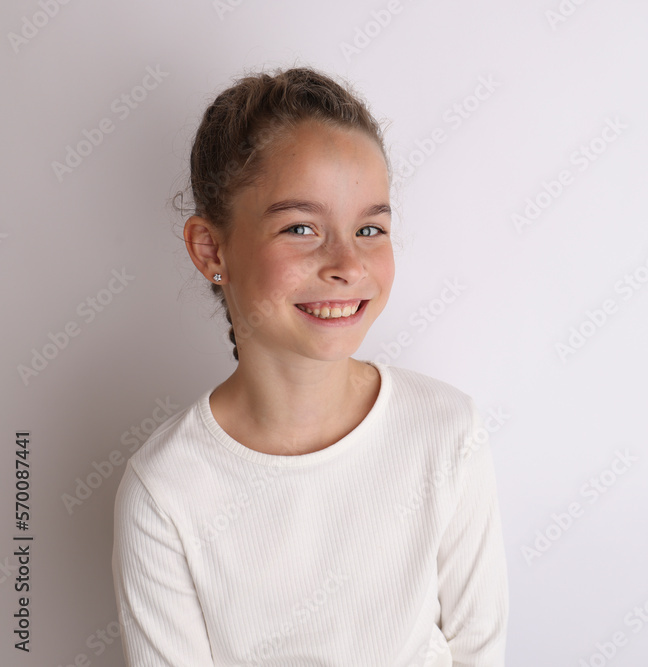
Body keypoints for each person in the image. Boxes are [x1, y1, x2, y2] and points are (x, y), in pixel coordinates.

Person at [111, 66, 509, 666]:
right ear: (211, 249)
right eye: (301, 228)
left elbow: (478, 648)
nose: (347, 262)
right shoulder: (166, 492)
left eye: (370, 228)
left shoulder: (446, 430)